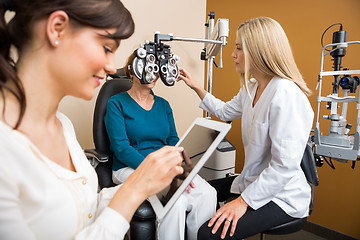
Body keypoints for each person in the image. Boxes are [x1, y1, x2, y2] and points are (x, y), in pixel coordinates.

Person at [0, 0, 185, 239]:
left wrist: (141, 182)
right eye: (107, 48)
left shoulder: (62, 125)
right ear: (57, 28)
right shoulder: (5, 147)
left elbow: (80, 210)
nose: (111, 67)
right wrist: (135, 187)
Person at [177, 17, 314, 240]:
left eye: (239, 48)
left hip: (282, 195)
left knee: (207, 234)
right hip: (253, 181)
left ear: (259, 51)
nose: (233, 54)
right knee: (192, 189)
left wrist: (242, 202)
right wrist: (196, 87)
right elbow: (224, 111)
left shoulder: (286, 95)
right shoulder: (252, 88)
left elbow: (284, 167)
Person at [104, 52, 217, 240]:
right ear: (133, 71)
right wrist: (157, 170)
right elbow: (121, 148)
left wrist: (180, 167)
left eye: (156, 69)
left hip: (166, 167)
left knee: (207, 193)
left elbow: (173, 140)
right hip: (130, 167)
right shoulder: (116, 103)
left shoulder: (164, 105)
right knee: (176, 201)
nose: (153, 73)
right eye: (147, 68)